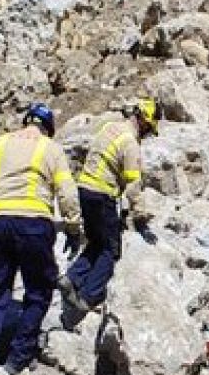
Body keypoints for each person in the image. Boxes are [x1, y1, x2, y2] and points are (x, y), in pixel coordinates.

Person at [0, 102, 77, 375]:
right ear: (48, 127)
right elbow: (67, 191)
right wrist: (73, 224)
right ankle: (15, 361)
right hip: (34, 225)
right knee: (38, 292)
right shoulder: (50, 149)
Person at [61, 98, 162, 310]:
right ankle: (89, 297)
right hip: (102, 194)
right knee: (110, 250)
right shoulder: (130, 143)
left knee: (95, 242)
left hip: (84, 189)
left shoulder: (110, 128)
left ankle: (71, 278)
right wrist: (140, 215)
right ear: (143, 121)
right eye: (149, 129)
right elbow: (133, 185)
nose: (147, 134)